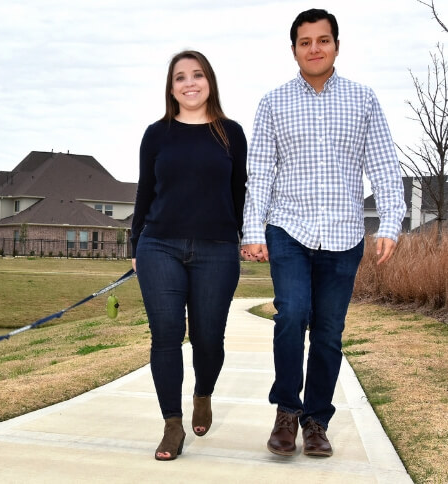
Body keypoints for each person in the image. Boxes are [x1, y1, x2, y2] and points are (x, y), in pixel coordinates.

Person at [241, 8, 406, 457]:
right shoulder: (274, 102)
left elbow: (384, 166)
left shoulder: (363, 99)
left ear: (336, 44)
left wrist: (390, 222)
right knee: (291, 315)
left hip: (343, 234)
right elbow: (258, 172)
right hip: (288, 229)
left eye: (323, 40)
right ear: (294, 49)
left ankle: (316, 421)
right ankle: (286, 413)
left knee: (329, 331)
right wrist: (253, 229)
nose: (314, 48)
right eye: (305, 42)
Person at [131, 50, 247, 461]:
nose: (190, 83)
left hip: (217, 249)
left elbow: (239, 194)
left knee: (208, 338)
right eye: (180, 77)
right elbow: (145, 193)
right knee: (165, 337)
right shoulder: (156, 134)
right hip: (159, 244)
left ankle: (203, 392)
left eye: (197, 75)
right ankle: (172, 425)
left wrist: (243, 238)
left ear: (209, 81)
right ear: (171, 87)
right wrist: (134, 248)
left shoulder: (230, 133)